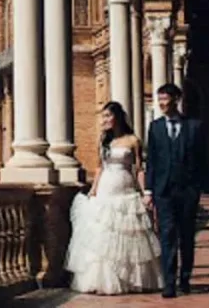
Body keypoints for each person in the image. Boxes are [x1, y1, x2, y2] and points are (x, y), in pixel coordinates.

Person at [65, 101, 164, 295]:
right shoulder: (103, 140)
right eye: (104, 116)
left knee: (128, 234)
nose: (105, 120)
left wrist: (145, 192)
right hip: (106, 189)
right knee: (104, 234)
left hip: (126, 189)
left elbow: (139, 169)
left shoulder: (133, 140)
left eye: (108, 116)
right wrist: (93, 190)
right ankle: (103, 280)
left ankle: (130, 280)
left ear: (118, 117)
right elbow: (99, 167)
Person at [144, 83, 206, 299]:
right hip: (164, 191)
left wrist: (197, 188)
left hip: (188, 191)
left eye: (165, 99)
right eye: (159, 99)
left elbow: (202, 160)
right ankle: (169, 283)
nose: (161, 103)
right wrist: (149, 190)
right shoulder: (155, 127)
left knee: (187, 236)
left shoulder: (195, 127)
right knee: (167, 235)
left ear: (176, 99)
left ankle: (185, 278)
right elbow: (151, 160)